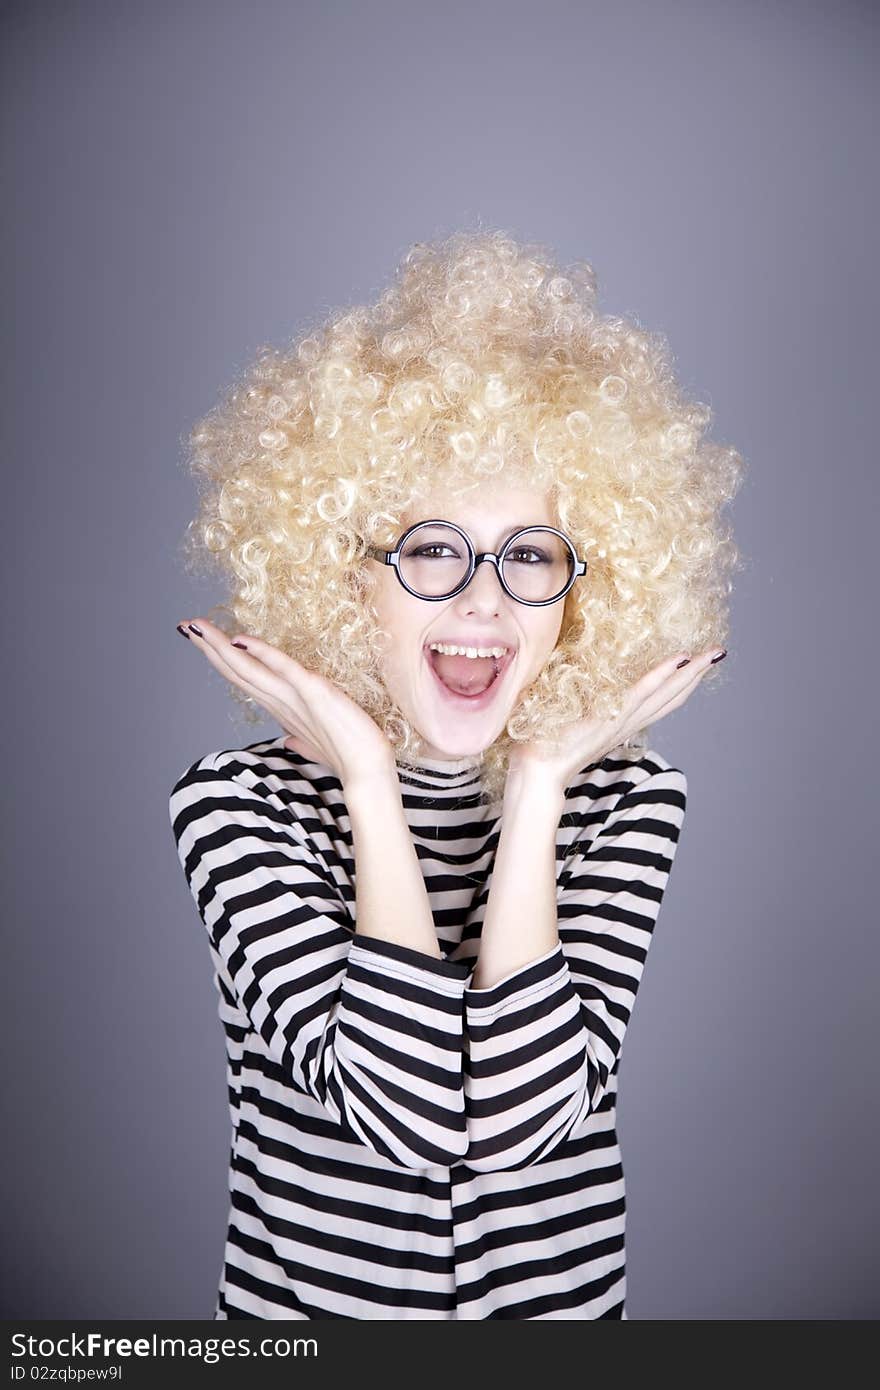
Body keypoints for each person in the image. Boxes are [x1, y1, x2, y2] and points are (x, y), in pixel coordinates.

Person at [168, 229, 743, 1319]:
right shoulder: (236, 806)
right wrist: (370, 789)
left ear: (581, 589)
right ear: (349, 574)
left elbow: (523, 1132)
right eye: (433, 546)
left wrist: (535, 794)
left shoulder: (623, 797)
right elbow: (410, 1123)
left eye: (529, 553)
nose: (484, 599)